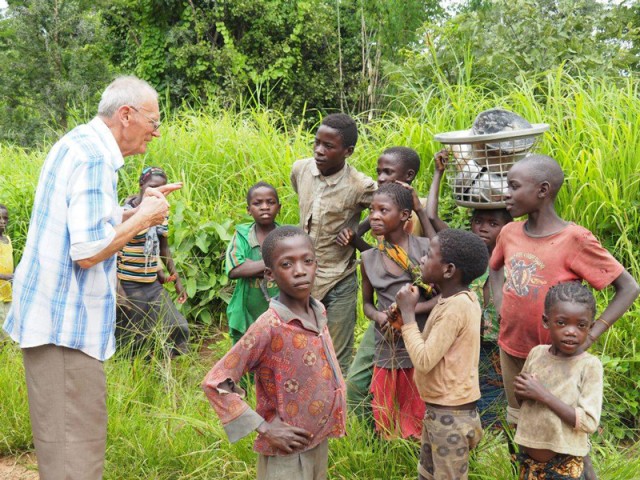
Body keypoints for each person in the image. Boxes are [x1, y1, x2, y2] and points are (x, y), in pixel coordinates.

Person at [3, 76, 181, 479]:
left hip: (54, 322)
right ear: (126, 115)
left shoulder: (80, 143)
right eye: (154, 122)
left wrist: (133, 211)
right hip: (64, 329)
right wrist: (144, 218)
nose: (156, 132)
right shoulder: (95, 158)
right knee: (75, 456)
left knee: (64, 445)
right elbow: (86, 252)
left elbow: (81, 223)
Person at [489, 154, 639, 478]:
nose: (506, 193)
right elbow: (495, 268)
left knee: (566, 432)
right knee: (522, 421)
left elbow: (628, 287)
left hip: (558, 360)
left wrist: (592, 335)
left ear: (542, 190)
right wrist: (501, 304)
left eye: (514, 187)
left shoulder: (576, 240)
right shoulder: (509, 233)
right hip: (513, 349)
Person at [201, 226, 346, 480]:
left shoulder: (318, 310)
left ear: (316, 265)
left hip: (318, 441)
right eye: (287, 264)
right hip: (287, 453)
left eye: (307, 261)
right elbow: (215, 383)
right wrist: (265, 428)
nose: (300, 270)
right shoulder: (269, 326)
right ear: (270, 274)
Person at [342, 146, 434, 419]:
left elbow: (439, 249)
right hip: (386, 330)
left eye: (388, 172)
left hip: (419, 327)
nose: (381, 178)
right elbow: (369, 290)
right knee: (367, 385)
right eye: (379, 171)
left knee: (417, 393)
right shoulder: (374, 244)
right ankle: (376, 436)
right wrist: (384, 316)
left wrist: (418, 206)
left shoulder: (419, 216)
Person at [426, 149, 512, 427]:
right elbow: (430, 216)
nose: (482, 228)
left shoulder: (514, 257)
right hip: (471, 340)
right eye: (478, 221)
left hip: (500, 343)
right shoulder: (467, 255)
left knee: (499, 401)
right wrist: (439, 173)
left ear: (507, 227)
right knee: (472, 394)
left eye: (493, 223)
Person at [396, 228, 489, 480]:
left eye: (428, 255)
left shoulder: (456, 307)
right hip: (442, 410)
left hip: (451, 415)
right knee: (427, 473)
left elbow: (424, 360)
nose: (422, 260)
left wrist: (407, 314)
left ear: (448, 270)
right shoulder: (454, 299)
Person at [290, 113, 376, 374]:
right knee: (301, 347)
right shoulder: (301, 169)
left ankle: (337, 409)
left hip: (339, 278)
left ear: (347, 151)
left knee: (336, 357)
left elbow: (386, 207)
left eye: (329, 146)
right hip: (303, 277)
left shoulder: (359, 185)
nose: (319, 150)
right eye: (316, 143)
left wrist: (355, 233)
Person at [360, 183, 436, 439]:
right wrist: (381, 316)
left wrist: (407, 314)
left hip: (420, 343)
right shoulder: (369, 258)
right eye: (371, 210)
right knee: (387, 414)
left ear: (404, 215)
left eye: (383, 210)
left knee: (418, 413)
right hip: (387, 346)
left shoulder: (425, 249)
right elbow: (367, 305)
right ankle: (390, 457)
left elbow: (445, 297)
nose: (374, 216)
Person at [514, 281, 603, 479]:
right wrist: (521, 392)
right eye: (562, 323)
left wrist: (543, 395)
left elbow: (588, 422)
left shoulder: (589, 365)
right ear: (546, 321)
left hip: (564, 466)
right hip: (529, 463)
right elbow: (524, 403)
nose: (571, 331)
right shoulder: (536, 354)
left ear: (591, 327)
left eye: (581, 325)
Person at [116, 166, 190, 357]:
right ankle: (136, 375)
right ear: (142, 185)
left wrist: (175, 279)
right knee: (136, 339)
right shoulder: (124, 213)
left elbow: (163, 247)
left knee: (177, 326)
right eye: (153, 187)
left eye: (163, 189)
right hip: (128, 284)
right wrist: (117, 288)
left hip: (151, 283)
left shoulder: (161, 212)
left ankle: (161, 367)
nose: (158, 194)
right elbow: (112, 251)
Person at [225, 181, 280, 344]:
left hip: (279, 311)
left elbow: (294, 267)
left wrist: (252, 266)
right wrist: (276, 262)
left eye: (270, 202)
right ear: (249, 210)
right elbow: (235, 270)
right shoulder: (241, 236)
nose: (264, 207)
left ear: (279, 207)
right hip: (246, 311)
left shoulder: (286, 236)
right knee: (246, 357)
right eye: (257, 203)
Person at [0, 204, 12, 326]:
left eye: (5, 218)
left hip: (7, 294)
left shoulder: (7, 239)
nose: (2, 221)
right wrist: (6, 277)